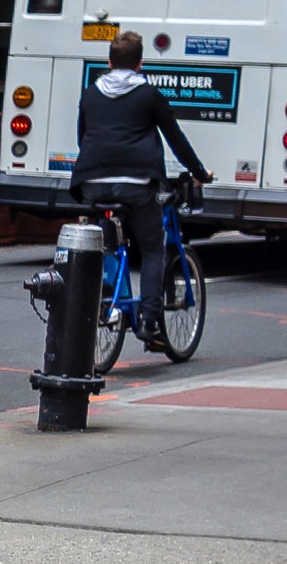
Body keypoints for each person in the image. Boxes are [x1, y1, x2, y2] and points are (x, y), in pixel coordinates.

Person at [72, 30, 208, 353]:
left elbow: (83, 138)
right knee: (152, 248)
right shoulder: (149, 95)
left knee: (106, 244)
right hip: (136, 184)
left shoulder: (91, 93)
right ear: (140, 64)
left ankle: (107, 299)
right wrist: (200, 172)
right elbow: (175, 138)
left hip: (94, 184)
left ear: (108, 62)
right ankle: (149, 320)